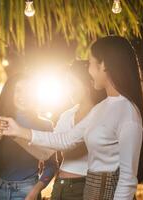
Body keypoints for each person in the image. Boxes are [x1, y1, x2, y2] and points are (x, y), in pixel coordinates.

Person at [1, 36, 143, 200]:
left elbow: (127, 180)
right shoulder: (102, 108)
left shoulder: (127, 111)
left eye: (90, 63)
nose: (89, 70)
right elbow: (66, 140)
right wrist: (18, 130)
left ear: (103, 65)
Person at [0, 74, 57, 200]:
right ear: (10, 94)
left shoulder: (45, 124)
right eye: (18, 90)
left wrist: (34, 191)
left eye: (29, 90)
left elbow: (51, 165)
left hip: (26, 191)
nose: (24, 95)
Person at [50, 60, 105, 200]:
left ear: (88, 84)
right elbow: (48, 148)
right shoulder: (66, 115)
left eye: (72, 84)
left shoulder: (103, 114)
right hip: (60, 188)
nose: (68, 89)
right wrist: (13, 133)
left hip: (87, 188)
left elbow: (66, 142)